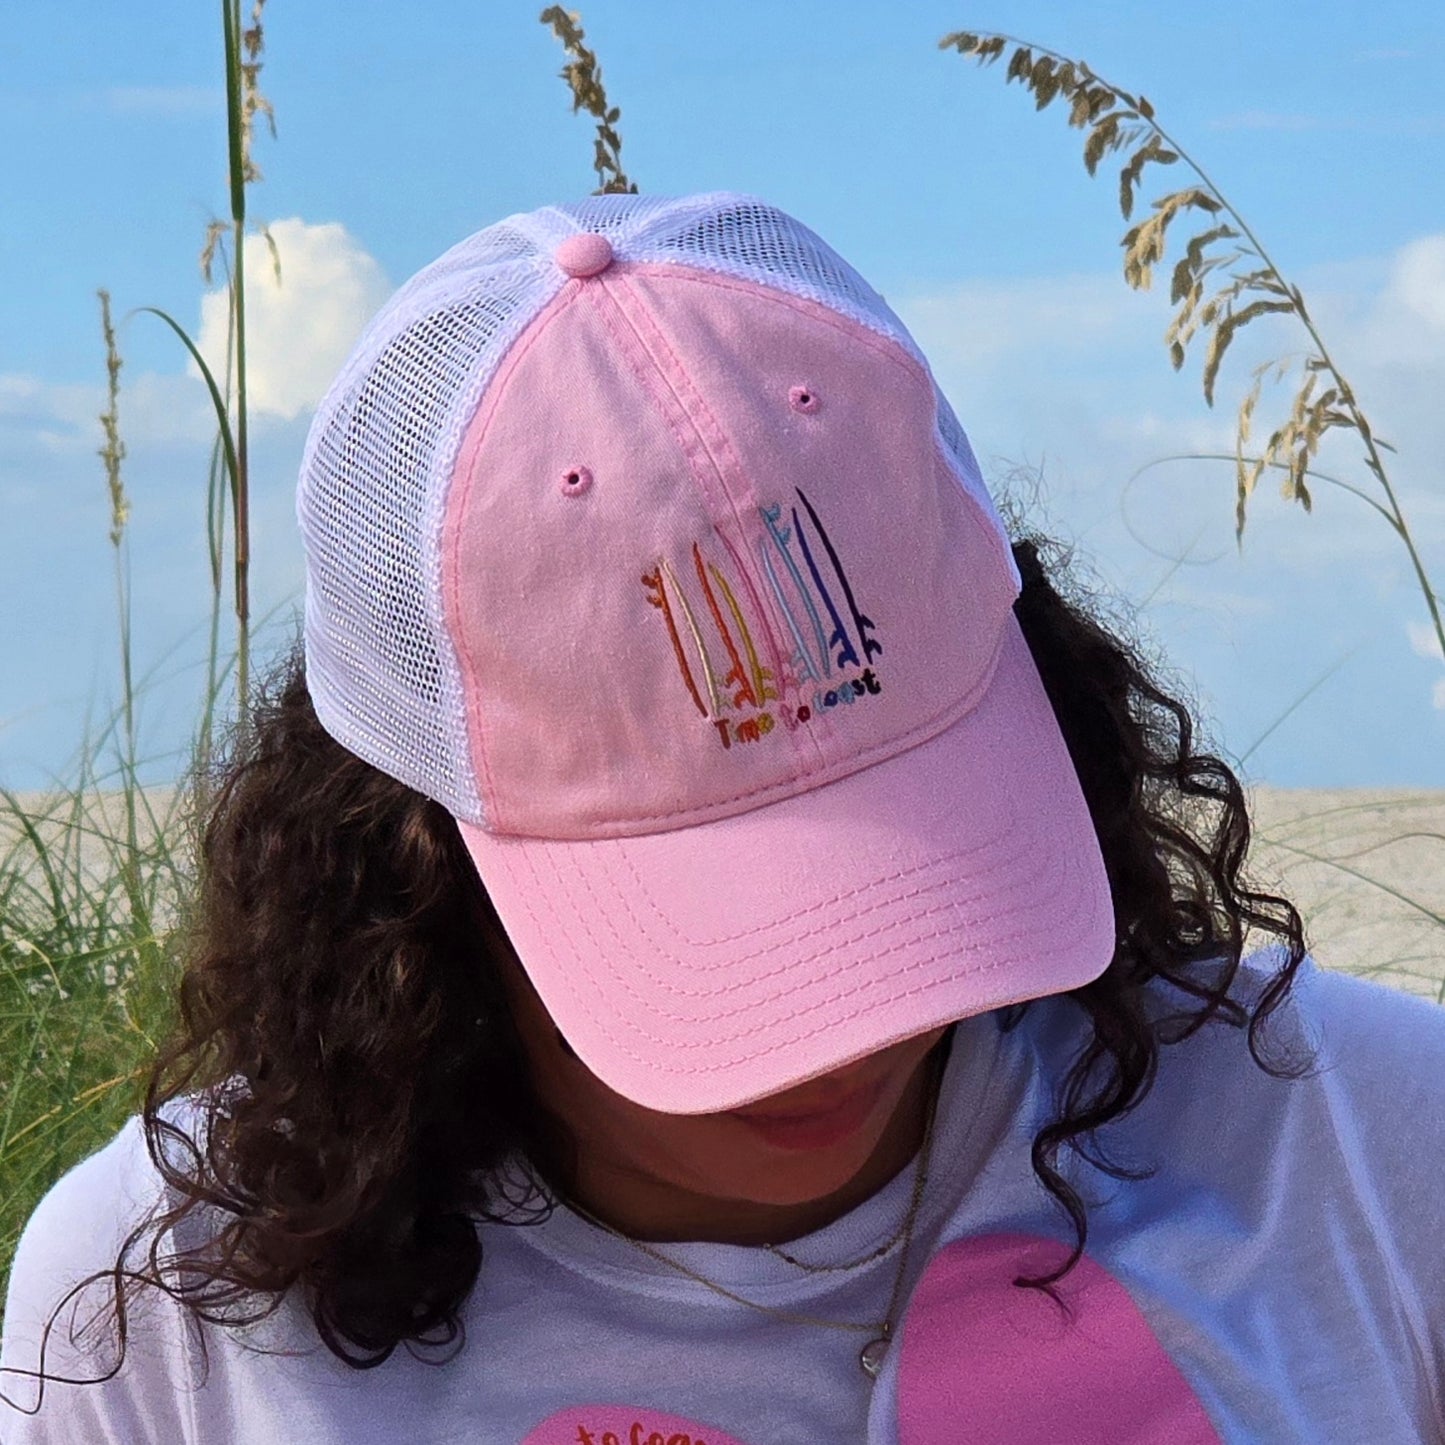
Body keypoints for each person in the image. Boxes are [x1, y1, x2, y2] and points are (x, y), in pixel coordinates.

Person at [2, 191, 1442, 1445]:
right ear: (406, 857)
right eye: (715, 910)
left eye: (911, 855)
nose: (847, 1029)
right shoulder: (159, 1319)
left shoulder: (1363, 1138)